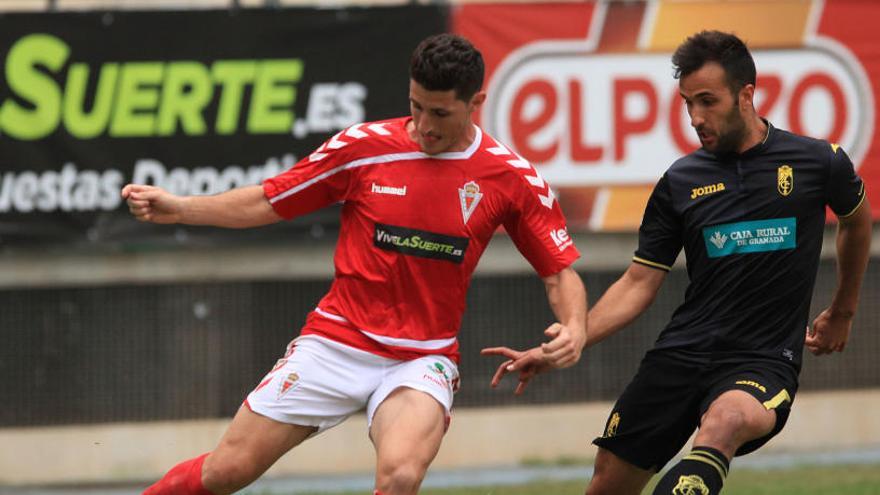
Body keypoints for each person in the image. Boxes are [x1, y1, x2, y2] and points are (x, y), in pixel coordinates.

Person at [124, 33, 587, 495]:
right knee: (226, 472)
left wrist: (574, 326)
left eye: (440, 113)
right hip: (335, 341)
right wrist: (181, 208)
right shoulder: (363, 148)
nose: (424, 124)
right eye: (416, 106)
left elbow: (559, 273)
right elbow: (269, 201)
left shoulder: (510, 176)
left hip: (421, 357)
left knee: (401, 475)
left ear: (476, 102)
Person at [483, 30, 871, 495]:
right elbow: (639, 281)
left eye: (707, 101)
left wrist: (842, 312)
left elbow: (856, 220)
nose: (695, 117)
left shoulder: (817, 162)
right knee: (607, 483)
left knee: (724, 422)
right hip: (682, 354)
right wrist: (575, 336)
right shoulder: (680, 181)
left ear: (747, 95)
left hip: (761, 360)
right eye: (688, 103)